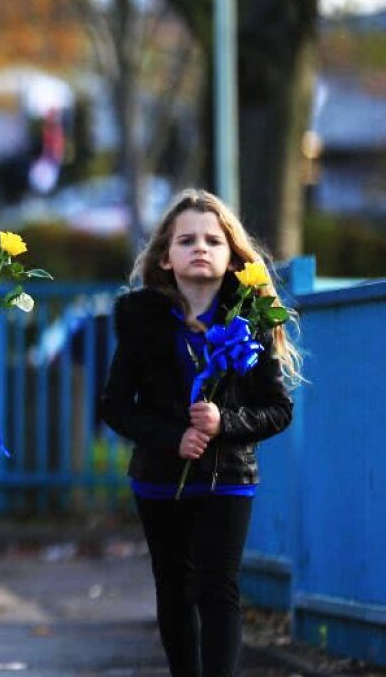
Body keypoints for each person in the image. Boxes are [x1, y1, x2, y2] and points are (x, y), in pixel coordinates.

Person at [99, 189, 300, 677]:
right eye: (186, 239)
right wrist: (172, 437)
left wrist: (223, 423)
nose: (200, 247)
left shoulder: (251, 320)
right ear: (166, 257)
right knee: (173, 585)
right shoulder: (140, 321)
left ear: (232, 256)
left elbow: (277, 409)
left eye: (213, 239)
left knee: (217, 586)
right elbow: (115, 406)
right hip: (158, 477)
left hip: (228, 475)